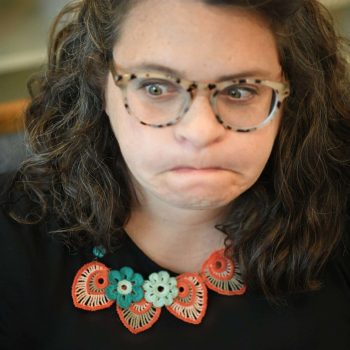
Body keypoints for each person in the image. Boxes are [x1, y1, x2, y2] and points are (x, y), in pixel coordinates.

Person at [0, 0, 349, 348]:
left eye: (240, 91)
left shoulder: (339, 212)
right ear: (99, 85)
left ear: (291, 97)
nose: (199, 132)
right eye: (155, 87)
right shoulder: (12, 234)